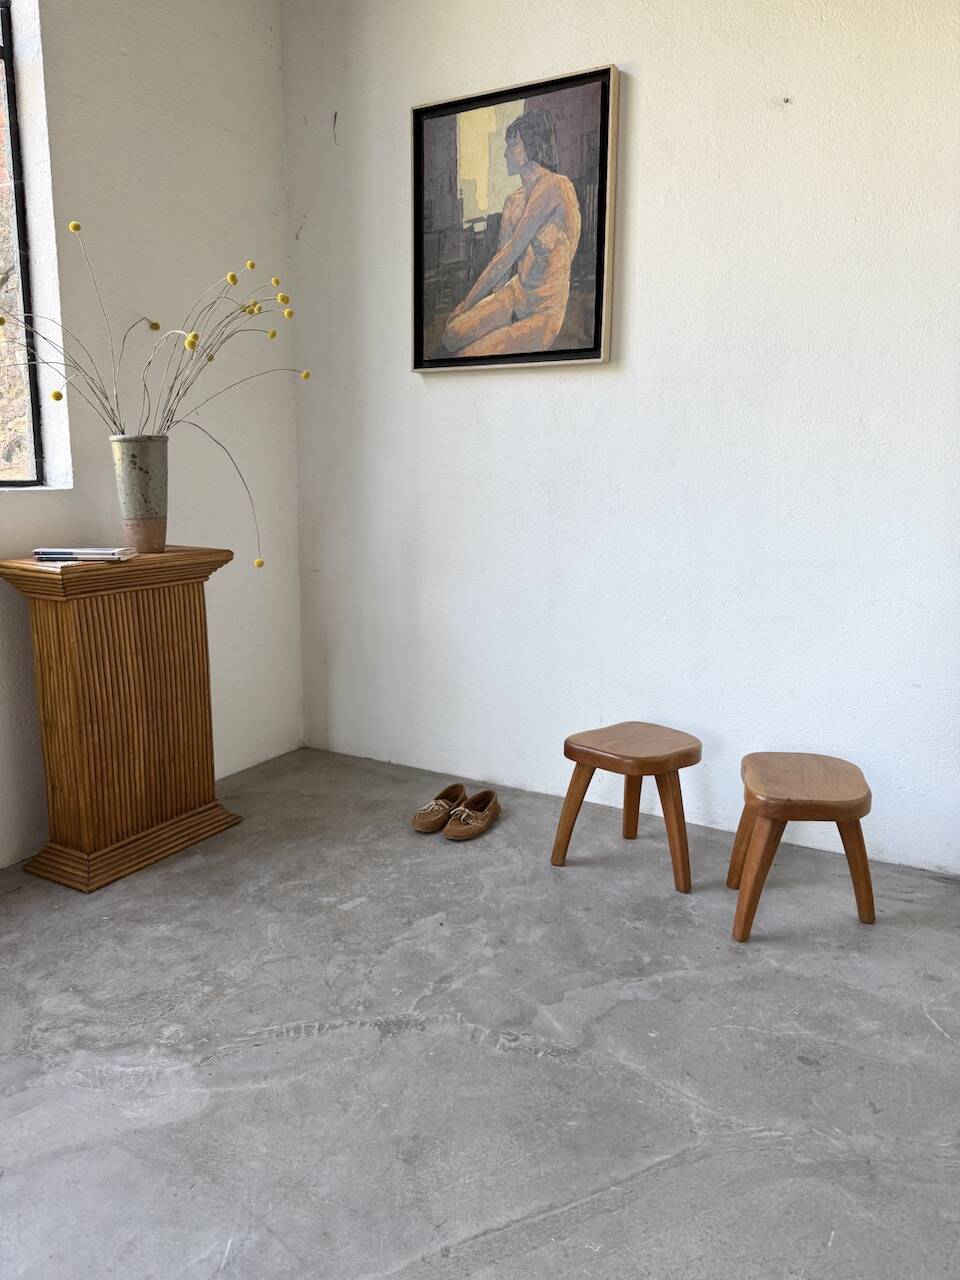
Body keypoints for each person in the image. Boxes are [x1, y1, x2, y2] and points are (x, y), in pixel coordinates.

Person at [442, 108, 581, 357]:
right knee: (452, 334)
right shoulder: (512, 201)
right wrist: (492, 310)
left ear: (532, 145)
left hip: (544, 309)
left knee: (466, 355)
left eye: (513, 144)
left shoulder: (555, 186)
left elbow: (510, 252)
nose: (506, 152)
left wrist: (467, 303)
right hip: (517, 293)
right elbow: (502, 265)